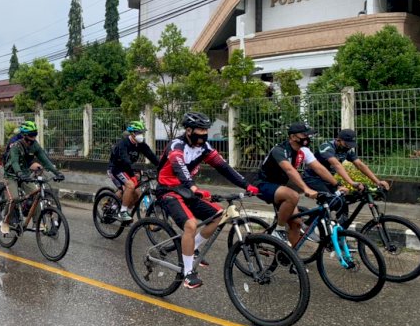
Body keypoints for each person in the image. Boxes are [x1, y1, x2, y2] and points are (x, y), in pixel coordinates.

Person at [156, 112, 259, 289]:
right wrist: (193, 187)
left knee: (220, 215)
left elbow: (224, 167)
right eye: (200, 130)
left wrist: (246, 185)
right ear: (188, 130)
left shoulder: (205, 148)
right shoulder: (177, 145)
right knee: (190, 225)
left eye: (206, 130)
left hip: (188, 191)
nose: (204, 134)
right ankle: (188, 273)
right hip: (169, 190)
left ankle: (192, 248)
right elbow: (179, 166)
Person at [254, 122, 339, 248]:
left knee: (296, 223)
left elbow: (319, 168)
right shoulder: (279, 150)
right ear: (293, 137)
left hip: (280, 186)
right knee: (293, 195)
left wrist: (337, 185)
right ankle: (279, 230)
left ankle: (292, 256)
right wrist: (306, 189)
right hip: (263, 185)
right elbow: (289, 170)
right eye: (304, 135)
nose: (307, 138)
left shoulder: (303, 151)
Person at [0, 121, 64, 235]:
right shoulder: (15, 146)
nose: (33, 139)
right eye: (30, 135)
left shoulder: (35, 145)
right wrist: (19, 173)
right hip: (11, 175)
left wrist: (57, 172)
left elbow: (45, 160)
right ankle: (6, 221)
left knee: (36, 194)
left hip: (24, 175)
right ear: (24, 136)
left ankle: (37, 222)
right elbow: (14, 162)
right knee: (14, 198)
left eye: (35, 134)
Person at [303, 128, 390, 193]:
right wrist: (351, 182)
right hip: (312, 177)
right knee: (329, 199)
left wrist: (377, 181)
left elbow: (360, 165)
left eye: (350, 145)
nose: (348, 147)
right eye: (346, 144)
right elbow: (337, 165)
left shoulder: (346, 150)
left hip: (328, 179)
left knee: (342, 202)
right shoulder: (327, 147)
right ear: (338, 140)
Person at [107, 120, 159, 222]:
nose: (141, 135)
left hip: (128, 169)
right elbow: (125, 159)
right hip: (116, 169)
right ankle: (121, 211)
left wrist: (161, 166)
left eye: (142, 133)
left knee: (137, 193)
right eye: (139, 133)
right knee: (129, 186)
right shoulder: (123, 143)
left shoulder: (140, 144)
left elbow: (151, 156)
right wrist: (134, 171)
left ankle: (123, 207)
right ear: (132, 133)